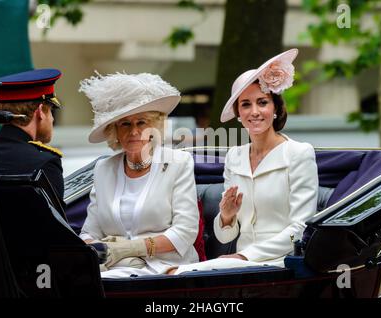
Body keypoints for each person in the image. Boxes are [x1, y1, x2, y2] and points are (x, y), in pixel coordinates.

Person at [171, 48, 319, 274]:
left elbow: (300, 229)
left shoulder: (298, 153)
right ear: (239, 114)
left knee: (180, 274)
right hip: (239, 264)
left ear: (276, 108)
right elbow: (225, 235)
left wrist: (245, 256)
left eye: (262, 102)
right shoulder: (234, 156)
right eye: (246, 104)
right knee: (175, 273)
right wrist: (227, 216)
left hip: (281, 262)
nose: (255, 111)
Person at [78, 72, 200, 278]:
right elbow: (89, 232)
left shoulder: (178, 163)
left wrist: (131, 248)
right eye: (125, 123)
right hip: (114, 268)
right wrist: (100, 249)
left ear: (154, 126)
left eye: (141, 122)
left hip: (166, 269)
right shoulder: (103, 169)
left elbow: (185, 232)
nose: (134, 131)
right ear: (114, 131)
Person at [0, 68, 65, 202]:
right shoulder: (44, 163)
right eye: (50, 111)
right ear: (40, 112)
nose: (52, 120)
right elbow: (52, 222)